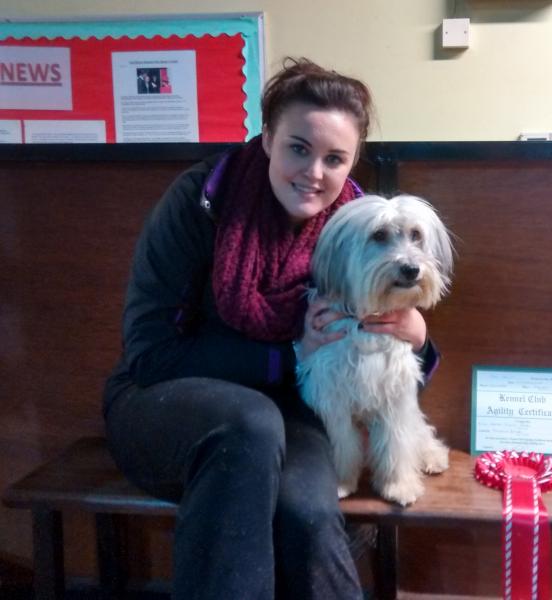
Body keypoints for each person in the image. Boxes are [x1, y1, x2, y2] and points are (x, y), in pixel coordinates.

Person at [103, 57, 440, 599]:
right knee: (251, 424)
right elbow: (150, 353)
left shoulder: (359, 225)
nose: (314, 173)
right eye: (298, 148)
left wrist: (420, 335)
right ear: (267, 139)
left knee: (308, 509)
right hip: (160, 402)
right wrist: (285, 355)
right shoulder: (200, 202)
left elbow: (380, 337)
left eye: (335, 159)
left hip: (290, 410)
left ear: (352, 164)